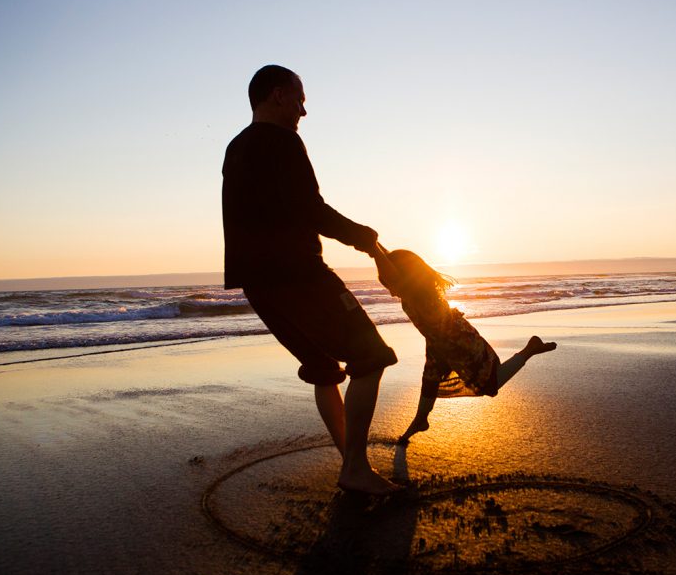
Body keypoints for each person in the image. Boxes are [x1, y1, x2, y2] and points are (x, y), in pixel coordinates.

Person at [222, 65, 401, 495]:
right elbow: (311, 208)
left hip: (257, 284)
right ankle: (355, 468)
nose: (305, 109)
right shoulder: (283, 141)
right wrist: (367, 239)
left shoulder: (236, 147)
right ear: (278, 95)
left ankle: (351, 467)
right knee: (371, 357)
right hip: (298, 275)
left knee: (323, 369)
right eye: (300, 98)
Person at [373, 246, 557, 443]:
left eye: (390, 285)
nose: (391, 292)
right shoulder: (413, 289)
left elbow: (393, 270)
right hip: (438, 345)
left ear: (403, 277)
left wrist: (372, 248)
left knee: (489, 385)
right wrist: (375, 246)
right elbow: (393, 266)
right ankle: (420, 420)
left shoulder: (415, 294)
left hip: (459, 342)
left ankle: (529, 350)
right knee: (429, 383)